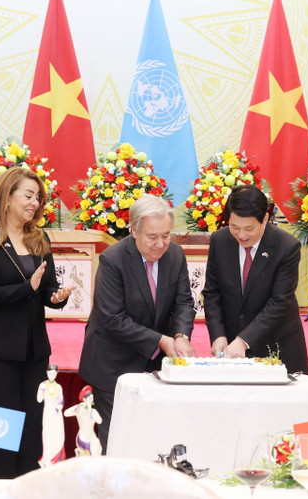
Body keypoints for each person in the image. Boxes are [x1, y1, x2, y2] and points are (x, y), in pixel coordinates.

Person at [0, 166, 74, 479]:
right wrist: (28, 289)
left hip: (34, 350)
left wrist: (57, 296)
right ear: (7, 196)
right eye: (28, 195)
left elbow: (46, 289)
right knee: (0, 430)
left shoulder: (39, 238)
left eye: (38, 198)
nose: (35, 203)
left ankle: (28, 487)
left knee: (32, 428)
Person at [78, 194, 195, 452]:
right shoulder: (113, 259)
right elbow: (113, 318)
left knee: (152, 438)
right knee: (117, 441)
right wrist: (161, 340)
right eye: (152, 237)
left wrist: (180, 336)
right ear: (134, 230)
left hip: (155, 365)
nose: (160, 244)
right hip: (113, 363)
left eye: (166, 235)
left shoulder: (174, 255)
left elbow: (184, 302)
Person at [203, 184, 308, 372]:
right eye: (234, 227)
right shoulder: (220, 241)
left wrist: (244, 340)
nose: (241, 235)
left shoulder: (286, 247)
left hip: (277, 346)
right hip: (232, 348)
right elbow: (212, 293)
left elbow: (279, 302)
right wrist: (218, 335)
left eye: (249, 228)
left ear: (265, 219)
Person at [37, 363, 64, 467]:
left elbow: (61, 400)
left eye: (54, 373)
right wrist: (41, 390)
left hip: (56, 414)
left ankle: (56, 459)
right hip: (47, 412)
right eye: (50, 373)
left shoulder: (59, 387)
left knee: (57, 435)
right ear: (46, 373)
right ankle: (48, 459)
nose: (52, 376)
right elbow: (39, 400)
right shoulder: (43, 385)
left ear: (57, 373)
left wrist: (59, 406)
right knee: (48, 435)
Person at [64, 385, 102, 456]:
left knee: (96, 444)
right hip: (82, 439)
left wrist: (93, 413)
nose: (91, 399)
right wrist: (78, 407)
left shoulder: (93, 412)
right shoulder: (79, 409)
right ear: (84, 399)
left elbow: (100, 421)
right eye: (89, 398)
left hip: (92, 439)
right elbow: (66, 413)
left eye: (91, 398)